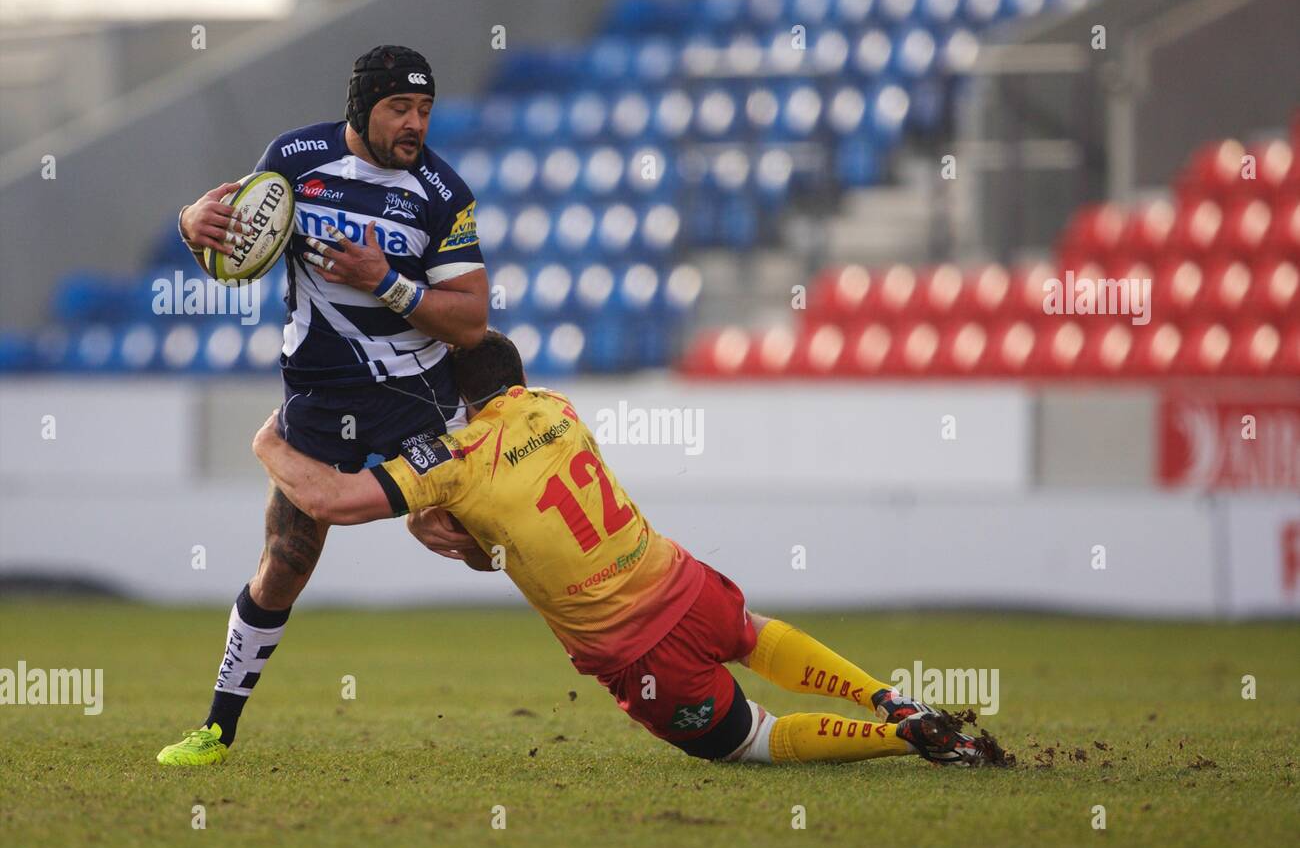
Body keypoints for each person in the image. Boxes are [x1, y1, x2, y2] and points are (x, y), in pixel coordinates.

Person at [248, 331, 1001, 767]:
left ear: (462, 400)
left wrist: (270, 444)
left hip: (641, 654)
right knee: (753, 632)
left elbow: (329, 501)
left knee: (754, 742)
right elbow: (511, 540)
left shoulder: (459, 455)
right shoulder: (558, 409)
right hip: (682, 579)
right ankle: (888, 695)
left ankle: (897, 739)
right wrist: (467, 538)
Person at [157, 46, 487, 766]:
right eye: (400, 108)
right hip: (319, 395)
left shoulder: (443, 192)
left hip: (418, 399)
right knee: (284, 560)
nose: (414, 125)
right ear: (361, 105)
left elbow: (470, 321)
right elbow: (234, 245)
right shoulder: (295, 159)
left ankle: (631, 656)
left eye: (425, 111)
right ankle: (217, 728)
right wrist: (191, 225)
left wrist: (386, 282)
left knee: (484, 546)